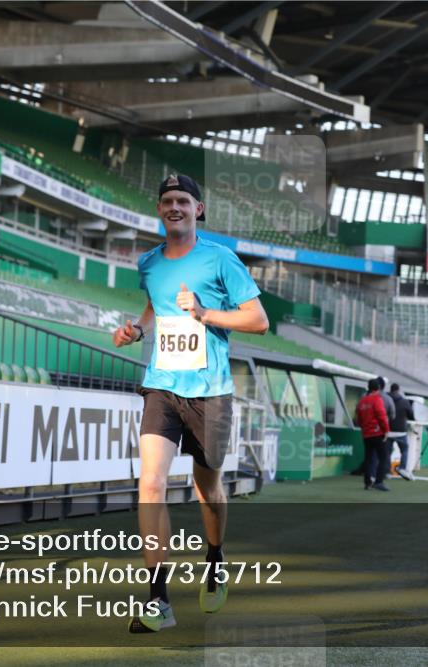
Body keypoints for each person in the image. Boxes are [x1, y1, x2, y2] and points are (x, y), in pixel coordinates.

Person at [112, 174, 269, 632]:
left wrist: (205, 313)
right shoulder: (148, 262)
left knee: (208, 490)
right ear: (159, 209)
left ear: (198, 209)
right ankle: (158, 601)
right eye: (167, 201)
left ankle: (215, 557)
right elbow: (155, 306)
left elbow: (259, 320)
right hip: (161, 385)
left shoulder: (221, 259)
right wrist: (138, 329)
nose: (174, 207)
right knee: (151, 484)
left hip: (210, 391)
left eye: (183, 200)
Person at [356, 378, 390, 491]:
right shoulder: (377, 399)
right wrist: (386, 430)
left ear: (368, 387)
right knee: (383, 457)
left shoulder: (362, 401)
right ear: (378, 388)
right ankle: (379, 482)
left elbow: (359, 419)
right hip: (377, 433)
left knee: (368, 458)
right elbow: (381, 416)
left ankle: (367, 482)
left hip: (366, 434)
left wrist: (364, 428)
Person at [387, 383, 416, 480]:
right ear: (398, 390)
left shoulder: (385, 399)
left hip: (387, 431)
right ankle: (402, 468)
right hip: (401, 431)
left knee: (387, 452)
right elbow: (411, 415)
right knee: (404, 450)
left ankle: (386, 471)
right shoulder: (404, 401)